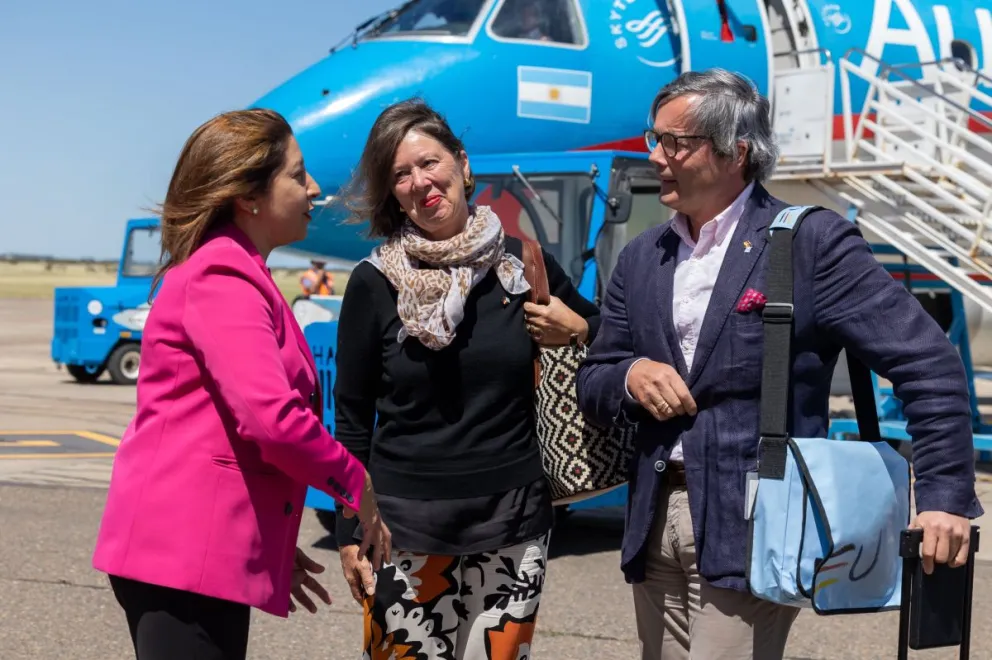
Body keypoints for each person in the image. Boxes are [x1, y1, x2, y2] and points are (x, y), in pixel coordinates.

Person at [575, 68, 984, 659]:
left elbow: (928, 362)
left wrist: (944, 496)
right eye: (653, 139)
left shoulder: (810, 243)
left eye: (676, 142)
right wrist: (630, 376)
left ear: (735, 151)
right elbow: (596, 375)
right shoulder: (643, 256)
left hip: (756, 523)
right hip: (653, 519)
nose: (657, 156)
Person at [91, 108, 391, 660]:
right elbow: (271, 421)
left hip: (199, 553)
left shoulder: (241, 271)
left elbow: (221, 431)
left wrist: (265, 538)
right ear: (249, 196)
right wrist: (357, 484)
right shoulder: (222, 274)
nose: (314, 188)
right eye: (298, 175)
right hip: (179, 558)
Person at [333, 98, 601, 659]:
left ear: (462, 163)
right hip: (401, 528)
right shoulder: (373, 282)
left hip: (514, 522)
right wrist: (348, 530)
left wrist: (577, 328)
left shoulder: (522, 265)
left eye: (429, 163)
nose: (419, 182)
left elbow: (603, 335)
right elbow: (353, 417)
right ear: (391, 193)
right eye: (400, 174)